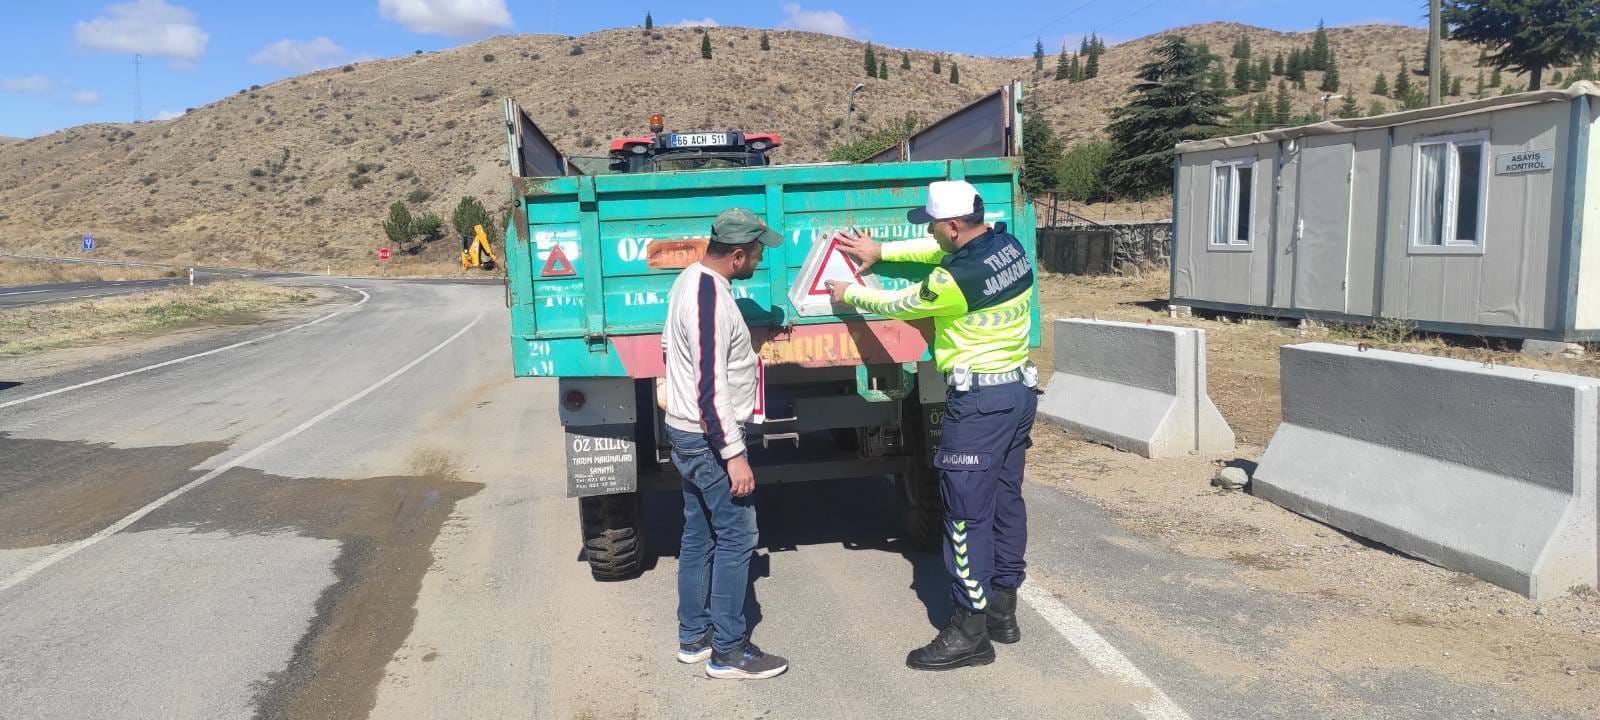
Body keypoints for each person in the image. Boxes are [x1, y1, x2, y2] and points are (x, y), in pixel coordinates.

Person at [825, 180, 1037, 671]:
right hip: (1018, 395)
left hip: (980, 405)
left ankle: (969, 630)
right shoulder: (1007, 244)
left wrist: (851, 292)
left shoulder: (950, 282)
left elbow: (902, 305)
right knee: (1007, 502)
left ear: (953, 226)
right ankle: (1003, 610)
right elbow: (937, 252)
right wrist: (884, 251)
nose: (933, 235)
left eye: (936, 227)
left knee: (963, 516)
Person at [662, 207, 790, 680]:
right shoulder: (709, 299)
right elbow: (709, 385)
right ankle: (729, 651)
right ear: (738, 255)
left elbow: (670, 352)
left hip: (690, 433)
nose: (760, 258)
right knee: (738, 538)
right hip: (709, 439)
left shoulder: (690, 280)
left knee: (699, 536)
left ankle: (694, 637)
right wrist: (734, 455)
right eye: (757, 252)